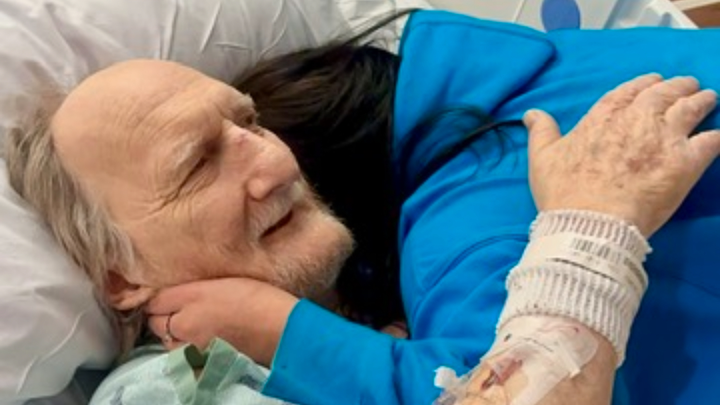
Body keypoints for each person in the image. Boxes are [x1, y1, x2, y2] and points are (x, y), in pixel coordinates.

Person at [4, 9, 720, 405]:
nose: (277, 163)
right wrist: (590, 231)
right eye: (196, 164)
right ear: (121, 277)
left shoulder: (467, 198)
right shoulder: (165, 391)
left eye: (250, 124)